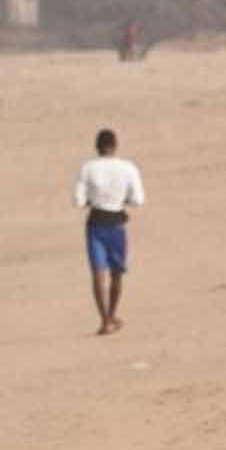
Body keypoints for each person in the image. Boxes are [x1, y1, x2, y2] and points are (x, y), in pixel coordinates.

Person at [75, 128, 146, 336]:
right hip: (116, 224)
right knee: (117, 273)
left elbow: (78, 200)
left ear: (97, 147)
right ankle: (112, 314)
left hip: (96, 222)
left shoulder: (87, 168)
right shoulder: (128, 168)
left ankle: (105, 319)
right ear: (115, 146)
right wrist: (119, 199)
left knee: (98, 273)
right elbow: (138, 200)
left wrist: (94, 199)